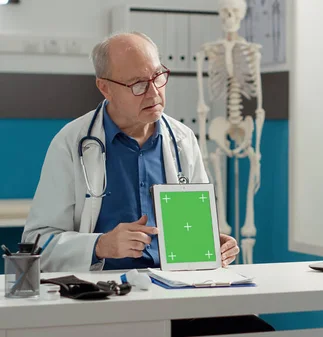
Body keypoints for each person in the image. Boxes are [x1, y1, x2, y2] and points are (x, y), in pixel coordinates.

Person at [22, 32, 273, 336]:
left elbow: (193, 232)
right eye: (138, 85)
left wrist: (211, 246)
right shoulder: (71, 144)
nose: (154, 93)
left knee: (255, 330)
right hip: (103, 303)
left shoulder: (182, 140)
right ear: (105, 88)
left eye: (158, 77)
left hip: (177, 299)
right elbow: (35, 245)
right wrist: (100, 245)